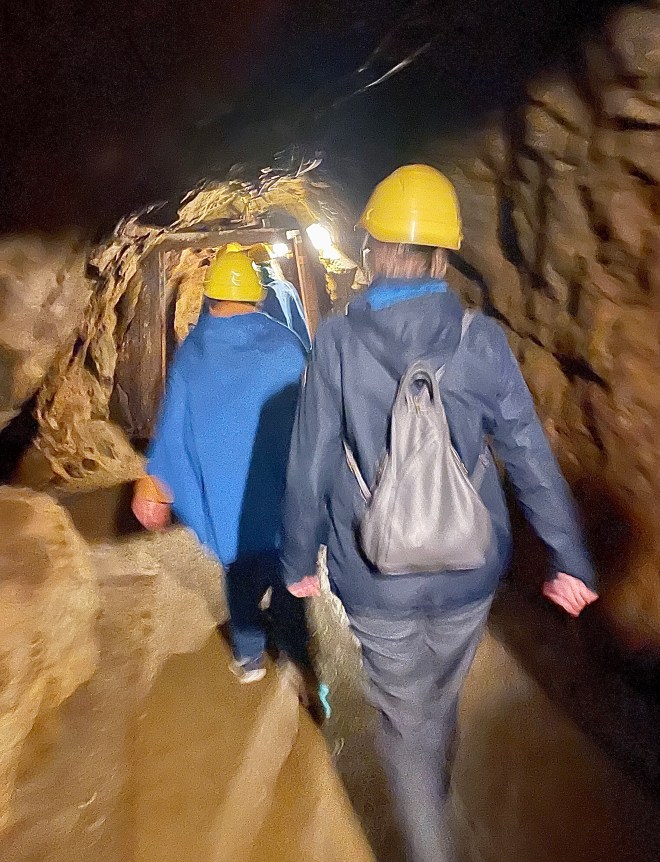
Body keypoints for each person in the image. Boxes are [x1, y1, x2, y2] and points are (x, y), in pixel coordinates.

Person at [281, 165, 599, 861]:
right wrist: (570, 558)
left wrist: (299, 558)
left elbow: (309, 461)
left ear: (371, 250)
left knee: (406, 724)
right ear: (442, 257)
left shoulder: (336, 342)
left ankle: (430, 834)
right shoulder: (482, 340)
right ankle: (434, 793)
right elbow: (529, 455)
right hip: (468, 568)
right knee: (441, 700)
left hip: (375, 574)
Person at [131, 249, 311, 685]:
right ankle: (292, 649)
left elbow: (173, 426)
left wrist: (156, 483)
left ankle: (249, 656)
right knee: (289, 576)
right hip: (284, 498)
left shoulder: (194, 353)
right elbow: (314, 420)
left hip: (231, 503)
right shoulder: (288, 346)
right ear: (257, 297)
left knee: (241, 579)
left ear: (210, 299)